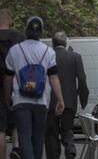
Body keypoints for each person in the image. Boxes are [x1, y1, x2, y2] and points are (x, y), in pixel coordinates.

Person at [3, 16, 65, 159]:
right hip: (41, 101)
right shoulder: (48, 51)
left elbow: (8, 77)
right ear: (41, 32)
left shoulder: (14, 50)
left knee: (24, 135)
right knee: (38, 137)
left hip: (20, 101)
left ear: (26, 30)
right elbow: (53, 77)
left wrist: (7, 97)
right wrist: (60, 99)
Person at [45, 31, 89, 159]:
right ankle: (70, 150)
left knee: (51, 132)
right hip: (69, 101)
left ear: (53, 43)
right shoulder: (75, 57)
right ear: (65, 43)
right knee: (67, 129)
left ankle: (53, 155)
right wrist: (83, 100)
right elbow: (82, 79)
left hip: (50, 102)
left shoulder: (46, 57)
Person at [0, 9, 25, 159]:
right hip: (16, 84)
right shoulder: (19, 37)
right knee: (16, 119)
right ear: (10, 20)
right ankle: (16, 146)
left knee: (0, 130)